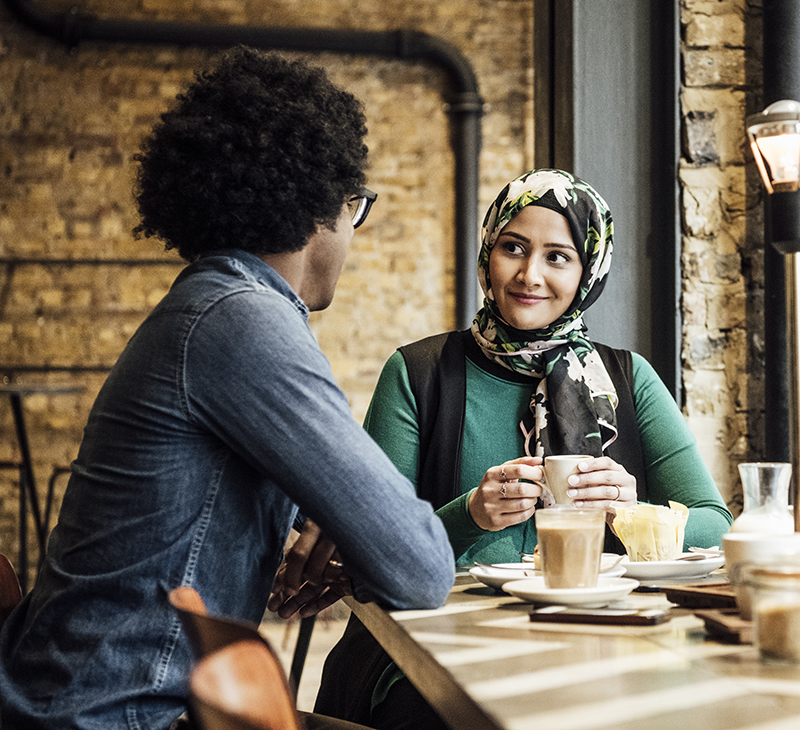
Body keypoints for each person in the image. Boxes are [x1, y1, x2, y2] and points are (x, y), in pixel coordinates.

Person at [0, 46, 455, 730]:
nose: (352, 236)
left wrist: (330, 527)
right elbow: (422, 567)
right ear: (317, 210)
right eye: (354, 209)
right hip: (123, 715)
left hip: (97, 699)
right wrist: (368, 537)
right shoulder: (244, 322)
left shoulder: (212, 305)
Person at [314, 168, 733, 730]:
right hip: (427, 659)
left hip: (597, 647)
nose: (529, 275)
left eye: (558, 256)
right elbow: (371, 552)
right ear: (488, 253)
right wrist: (469, 515)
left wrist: (637, 517)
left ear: (588, 272)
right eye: (514, 247)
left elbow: (717, 525)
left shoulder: (628, 379)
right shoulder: (419, 374)